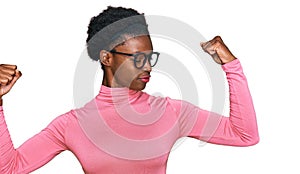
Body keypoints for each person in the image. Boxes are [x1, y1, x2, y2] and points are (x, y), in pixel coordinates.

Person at [0, 6, 259, 174]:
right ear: (106, 58)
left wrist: (231, 66)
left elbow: (245, 135)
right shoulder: (71, 124)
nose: (148, 67)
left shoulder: (171, 112)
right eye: (137, 59)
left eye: (150, 57)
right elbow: (9, 168)